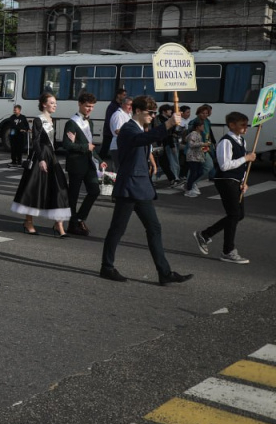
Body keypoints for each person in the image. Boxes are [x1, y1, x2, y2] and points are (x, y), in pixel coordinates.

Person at [99, 96, 192, 284]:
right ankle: (106, 267)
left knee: (154, 228)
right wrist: (167, 125)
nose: (153, 116)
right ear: (138, 111)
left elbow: (149, 140)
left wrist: (173, 125)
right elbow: (144, 139)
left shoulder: (140, 128)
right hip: (129, 186)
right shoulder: (128, 128)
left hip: (140, 187)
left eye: (154, 113)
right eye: (150, 113)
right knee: (117, 229)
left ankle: (164, 273)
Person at [193, 112, 254, 264]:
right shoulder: (226, 142)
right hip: (225, 180)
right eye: (242, 125)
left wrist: (243, 180)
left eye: (246, 125)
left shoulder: (242, 141)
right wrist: (246, 158)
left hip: (235, 181)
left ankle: (206, 234)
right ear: (232, 125)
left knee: (239, 215)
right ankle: (228, 251)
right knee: (233, 214)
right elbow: (225, 165)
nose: (245, 128)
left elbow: (243, 166)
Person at [11, 92, 70, 237]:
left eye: (55, 103)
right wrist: (42, 159)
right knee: (34, 188)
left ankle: (58, 224)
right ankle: (28, 222)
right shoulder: (38, 120)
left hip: (52, 156)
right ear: (44, 104)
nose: (55, 105)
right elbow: (36, 141)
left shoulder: (51, 120)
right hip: (40, 157)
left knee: (58, 189)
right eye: (52, 102)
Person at [62, 92, 107, 236]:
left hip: (89, 163)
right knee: (73, 196)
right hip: (76, 164)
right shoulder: (72, 122)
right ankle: (72, 225)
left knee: (94, 191)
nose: (90, 109)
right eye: (87, 106)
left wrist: (100, 161)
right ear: (80, 104)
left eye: (92, 107)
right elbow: (67, 145)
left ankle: (79, 218)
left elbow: (90, 145)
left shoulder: (90, 122)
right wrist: (84, 147)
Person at [183, 119, 207, 197]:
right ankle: (188, 189)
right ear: (197, 127)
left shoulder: (199, 134)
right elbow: (191, 144)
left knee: (199, 172)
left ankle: (189, 184)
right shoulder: (194, 133)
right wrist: (203, 144)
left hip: (197, 156)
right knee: (194, 173)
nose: (203, 127)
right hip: (192, 156)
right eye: (202, 126)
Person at [100, 88, 127, 158]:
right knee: (106, 145)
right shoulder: (112, 106)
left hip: (112, 130)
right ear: (118, 95)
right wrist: (112, 128)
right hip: (109, 130)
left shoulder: (119, 105)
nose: (125, 97)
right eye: (123, 95)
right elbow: (109, 119)